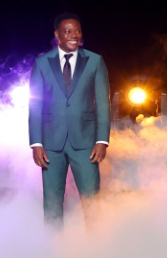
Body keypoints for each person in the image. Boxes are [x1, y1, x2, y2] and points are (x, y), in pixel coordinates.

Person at [28, 13, 109, 226]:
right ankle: (54, 251)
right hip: (50, 144)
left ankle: (97, 249)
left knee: (92, 201)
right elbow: (35, 105)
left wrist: (102, 140)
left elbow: (102, 104)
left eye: (78, 31)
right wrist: (36, 143)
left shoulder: (95, 61)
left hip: (86, 143)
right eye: (68, 31)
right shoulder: (42, 63)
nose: (74, 35)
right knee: (52, 203)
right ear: (57, 35)